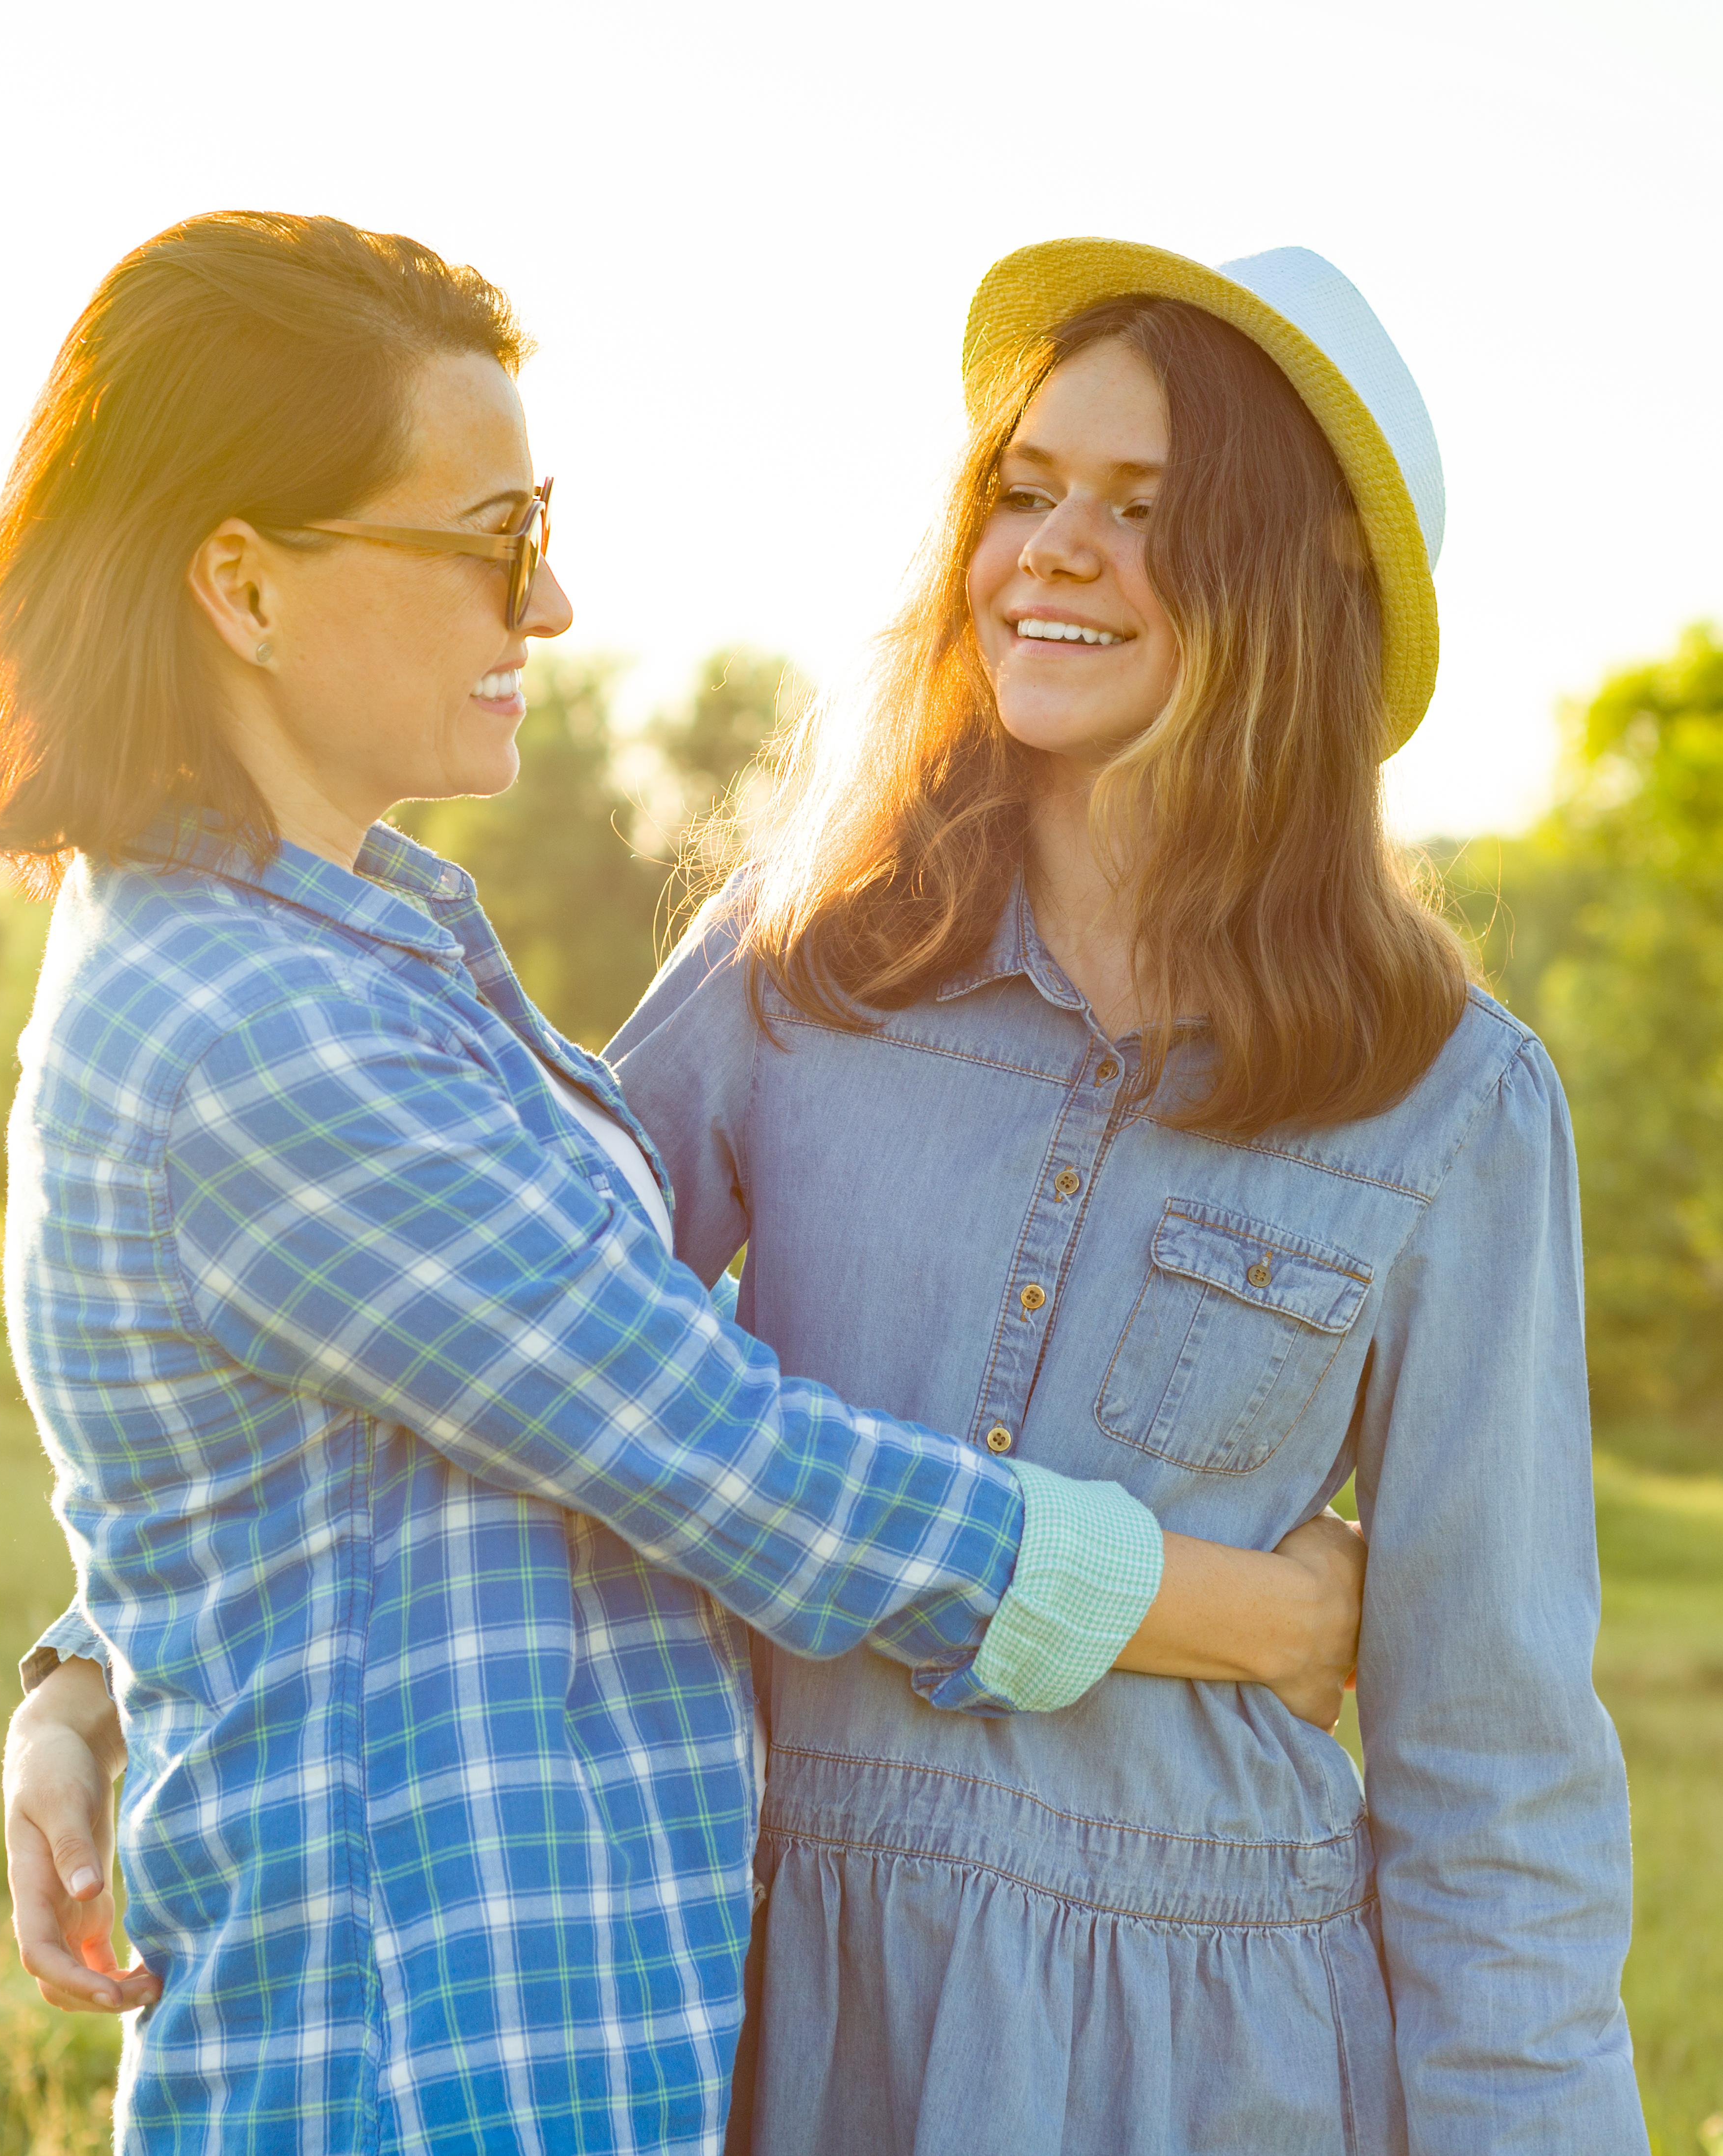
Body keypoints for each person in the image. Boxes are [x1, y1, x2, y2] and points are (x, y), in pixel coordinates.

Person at [0, 211, 1367, 2155]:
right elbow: (742, 1469)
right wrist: (1254, 1617)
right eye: (485, 543)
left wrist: (87, 1668)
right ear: (243, 586)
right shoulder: (257, 1036)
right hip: (418, 2093)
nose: (549, 604)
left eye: (543, 525)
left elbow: (407, 1430)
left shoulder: (355, 951)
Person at [605, 240, 1645, 2152]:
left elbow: (1496, 1773)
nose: (1050, 553)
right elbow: (497, 1340)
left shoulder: (1453, 1099)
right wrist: (107, 1659)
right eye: (1027, 489)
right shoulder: (797, 968)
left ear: (1300, 583)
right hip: (782, 1987)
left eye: (1149, 510)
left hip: (1217, 2047)